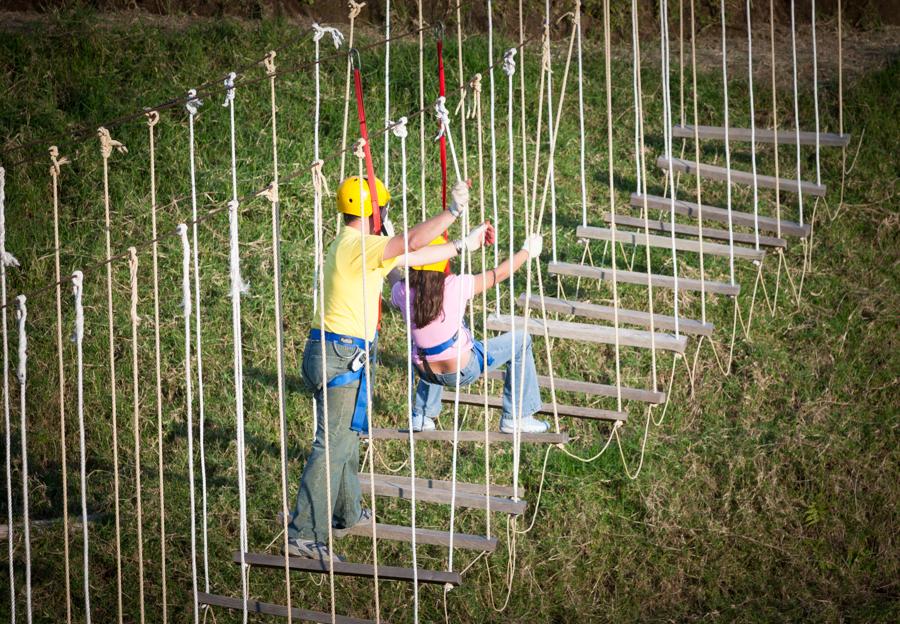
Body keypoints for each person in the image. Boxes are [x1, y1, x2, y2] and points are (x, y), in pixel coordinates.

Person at [286, 176, 491, 561]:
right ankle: (303, 533)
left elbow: (414, 257)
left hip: (335, 351)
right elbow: (412, 243)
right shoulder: (360, 245)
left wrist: (463, 244)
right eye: (382, 210)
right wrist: (453, 212)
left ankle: (346, 512)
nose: (384, 217)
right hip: (341, 352)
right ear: (372, 211)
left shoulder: (355, 246)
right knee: (331, 445)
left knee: (344, 438)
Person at [389, 226, 549, 435]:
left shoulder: (402, 291)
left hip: (427, 373)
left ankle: (422, 414)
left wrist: (389, 244)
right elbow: (498, 274)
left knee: (428, 346)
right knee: (522, 340)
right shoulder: (455, 285)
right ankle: (517, 416)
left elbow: (391, 273)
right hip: (464, 370)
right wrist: (526, 252)